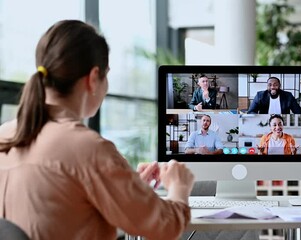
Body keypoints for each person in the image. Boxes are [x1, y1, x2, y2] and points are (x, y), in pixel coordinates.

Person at [0, 20, 194, 240]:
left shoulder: (5, 136)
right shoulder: (88, 149)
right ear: (93, 78)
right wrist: (179, 188)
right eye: (106, 75)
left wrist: (130, 188)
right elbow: (165, 228)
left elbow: (62, 210)